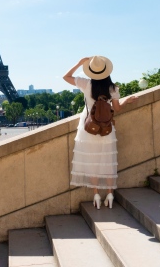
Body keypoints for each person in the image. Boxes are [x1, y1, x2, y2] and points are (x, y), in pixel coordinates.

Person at [63, 55, 137, 209]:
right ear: (107, 71)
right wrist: (126, 101)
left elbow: (66, 77)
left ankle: (96, 195)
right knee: (108, 162)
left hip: (89, 129)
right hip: (106, 129)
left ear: (91, 71)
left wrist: (79, 63)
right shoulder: (113, 88)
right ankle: (110, 194)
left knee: (92, 162)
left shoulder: (86, 83)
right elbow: (116, 109)